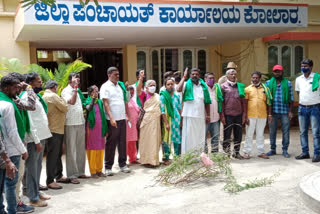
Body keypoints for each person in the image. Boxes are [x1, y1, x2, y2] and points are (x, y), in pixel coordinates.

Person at [21, 72, 52, 207]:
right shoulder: (26, 96)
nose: (41, 83)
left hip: (41, 135)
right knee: (32, 168)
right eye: (38, 81)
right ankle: (33, 198)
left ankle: (35, 191)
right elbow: (30, 121)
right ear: (30, 83)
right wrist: (37, 140)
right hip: (34, 138)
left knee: (38, 167)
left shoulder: (34, 95)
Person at [0, 75, 28, 214]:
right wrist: (23, 150)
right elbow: (12, 132)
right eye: (15, 87)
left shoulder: (5, 101)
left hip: (3, 150)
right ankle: (12, 210)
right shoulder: (8, 105)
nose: (18, 89)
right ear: (6, 88)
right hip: (12, 150)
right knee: (11, 184)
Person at [9, 72, 36, 213]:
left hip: (18, 141)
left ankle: (16, 202)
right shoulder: (13, 100)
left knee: (17, 176)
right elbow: (32, 105)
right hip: (15, 144)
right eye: (21, 84)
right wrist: (29, 89)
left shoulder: (13, 98)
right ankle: (17, 204)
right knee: (16, 177)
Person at [100, 67, 131, 175]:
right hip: (112, 119)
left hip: (122, 117)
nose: (118, 76)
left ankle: (122, 164)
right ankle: (108, 167)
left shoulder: (120, 86)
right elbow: (106, 103)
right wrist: (112, 118)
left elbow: (125, 101)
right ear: (109, 75)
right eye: (115, 74)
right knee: (111, 143)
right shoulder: (105, 86)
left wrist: (128, 115)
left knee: (122, 142)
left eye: (118, 74)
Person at [176, 68, 211, 154]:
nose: (194, 75)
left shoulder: (203, 86)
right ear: (190, 75)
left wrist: (208, 115)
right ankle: (187, 157)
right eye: (193, 74)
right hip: (189, 115)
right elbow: (178, 89)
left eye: (196, 74)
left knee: (200, 136)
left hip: (200, 116)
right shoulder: (185, 84)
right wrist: (184, 77)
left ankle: (198, 156)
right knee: (188, 137)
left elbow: (206, 102)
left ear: (199, 76)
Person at [42, 80, 69, 189]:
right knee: (53, 155)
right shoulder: (53, 96)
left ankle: (58, 175)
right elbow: (65, 107)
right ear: (54, 87)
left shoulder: (44, 96)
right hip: (55, 129)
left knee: (56, 154)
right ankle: (50, 180)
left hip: (51, 128)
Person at [61, 73, 88, 184]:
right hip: (70, 123)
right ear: (69, 80)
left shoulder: (78, 91)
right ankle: (72, 174)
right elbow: (71, 102)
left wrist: (77, 90)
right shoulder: (65, 91)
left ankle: (80, 171)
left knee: (80, 148)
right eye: (75, 78)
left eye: (78, 78)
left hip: (80, 121)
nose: (77, 80)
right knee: (71, 149)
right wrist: (75, 89)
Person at [266, 65, 294, 158]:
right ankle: (273, 149)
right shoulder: (268, 83)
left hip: (284, 111)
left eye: (279, 71)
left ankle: (285, 150)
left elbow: (291, 98)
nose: (277, 73)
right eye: (275, 71)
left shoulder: (288, 83)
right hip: (272, 112)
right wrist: (268, 113)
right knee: (272, 131)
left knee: (286, 131)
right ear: (273, 73)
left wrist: (290, 111)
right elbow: (266, 99)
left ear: (282, 72)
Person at [243, 71, 272, 159]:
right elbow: (245, 103)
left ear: (260, 78)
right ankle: (247, 152)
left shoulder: (265, 89)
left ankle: (261, 152)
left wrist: (269, 114)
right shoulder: (247, 89)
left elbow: (269, 102)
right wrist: (245, 116)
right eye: (253, 78)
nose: (255, 79)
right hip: (250, 115)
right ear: (251, 78)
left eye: (257, 78)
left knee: (260, 134)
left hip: (262, 115)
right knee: (249, 134)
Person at [295, 59, 320, 162]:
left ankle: (317, 154)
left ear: (311, 67)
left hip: (314, 108)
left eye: (306, 66)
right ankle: (305, 152)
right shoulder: (299, 79)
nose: (303, 68)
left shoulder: (317, 78)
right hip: (302, 108)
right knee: (302, 132)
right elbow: (298, 92)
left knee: (315, 132)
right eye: (302, 66)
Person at [220, 68, 247, 159]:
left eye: (235, 74)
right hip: (228, 115)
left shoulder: (240, 86)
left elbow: (243, 102)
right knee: (227, 134)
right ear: (227, 76)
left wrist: (244, 115)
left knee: (238, 134)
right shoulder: (223, 86)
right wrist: (222, 115)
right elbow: (222, 102)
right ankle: (227, 153)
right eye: (231, 74)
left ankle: (236, 152)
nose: (233, 75)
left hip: (238, 114)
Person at [137, 72, 162, 167]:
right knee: (145, 141)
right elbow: (138, 89)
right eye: (151, 85)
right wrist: (140, 79)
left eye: (154, 85)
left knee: (154, 141)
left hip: (156, 121)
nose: (153, 87)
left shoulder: (158, 96)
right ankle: (145, 161)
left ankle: (154, 161)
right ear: (146, 88)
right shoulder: (144, 95)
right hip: (146, 121)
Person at [85, 85, 108, 178]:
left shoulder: (100, 102)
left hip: (100, 128)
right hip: (92, 128)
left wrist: (105, 128)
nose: (96, 93)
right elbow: (88, 108)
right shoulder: (87, 100)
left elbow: (103, 115)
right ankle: (93, 171)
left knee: (100, 149)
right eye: (94, 91)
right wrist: (92, 100)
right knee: (93, 148)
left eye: (97, 91)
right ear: (90, 93)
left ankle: (99, 170)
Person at [160, 78, 182, 165]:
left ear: (174, 85)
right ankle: (166, 158)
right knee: (167, 140)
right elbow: (162, 111)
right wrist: (166, 123)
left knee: (177, 139)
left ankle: (176, 157)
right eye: (168, 84)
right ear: (165, 86)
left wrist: (181, 120)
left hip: (176, 120)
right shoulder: (163, 96)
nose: (170, 86)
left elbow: (179, 109)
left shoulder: (177, 96)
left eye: (171, 84)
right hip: (168, 121)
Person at [204, 72, 223, 153]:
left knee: (215, 136)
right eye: (209, 78)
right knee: (203, 137)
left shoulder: (217, 88)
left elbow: (220, 101)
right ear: (205, 79)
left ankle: (215, 153)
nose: (211, 80)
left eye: (213, 78)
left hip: (216, 118)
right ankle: (204, 154)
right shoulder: (203, 88)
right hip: (205, 118)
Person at [126, 86, 140, 164]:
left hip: (134, 124)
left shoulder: (132, 101)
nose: (131, 93)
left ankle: (133, 158)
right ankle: (124, 159)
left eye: (132, 91)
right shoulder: (124, 101)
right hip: (127, 124)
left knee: (133, 141)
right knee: (126, 142)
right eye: (129, 91)